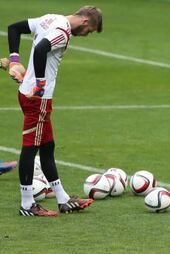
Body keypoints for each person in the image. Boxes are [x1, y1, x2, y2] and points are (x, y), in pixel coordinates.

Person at [2, 6, 103, 216]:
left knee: (48, 147)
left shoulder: (50, 18)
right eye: (90, 31)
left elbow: (14, 28)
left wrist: (14, 60)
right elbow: (40, 49)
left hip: (29, 94)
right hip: (37, 99)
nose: (86, 35)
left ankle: (63, 199)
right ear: (85, 22)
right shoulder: (63, 33)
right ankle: (27, 204)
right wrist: (39, 84)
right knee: (30, 149)